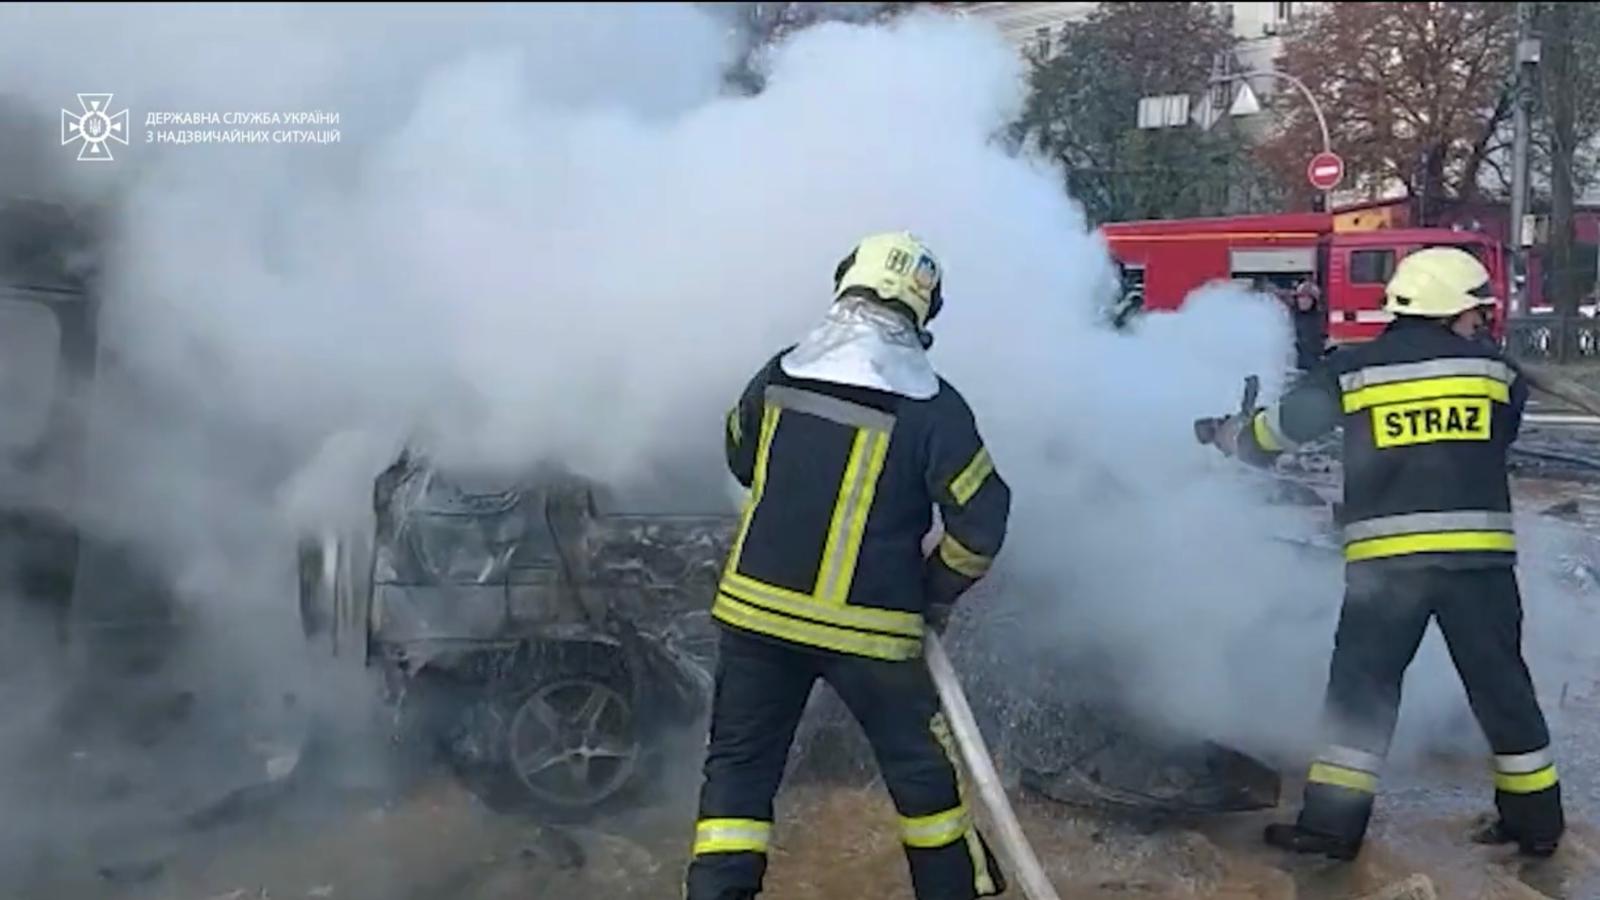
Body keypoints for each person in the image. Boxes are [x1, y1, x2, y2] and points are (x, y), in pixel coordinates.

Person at [1197, 246, 1564, 861]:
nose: (1481, 322)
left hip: (1388, 569)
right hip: (1479, 565)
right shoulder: (1497, 374)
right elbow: (1497, 438)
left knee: (1361, 693)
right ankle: (1536, 825)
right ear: (1451, 310)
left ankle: (1331, 830)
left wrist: (1230, 435)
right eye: (1477, 312)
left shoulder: (1353, 370)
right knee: (1503, 690)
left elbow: (1275, 435)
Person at [684, 231, 1012, 900]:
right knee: (925, 786)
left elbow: (740, 456)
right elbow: (982, 522)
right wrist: (935, 590)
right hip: (873, 634)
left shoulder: (780, 373)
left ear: (846, 283)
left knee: (737, 783)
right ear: (922, 308)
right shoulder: (935, 407)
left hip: (756, 618)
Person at [1290, 279, 1326, 371]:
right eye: (1301, 297)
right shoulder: (1292, 316)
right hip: (1296, 364)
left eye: (1308, 298)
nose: (1303, 301)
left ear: (1314, 301)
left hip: (1314, 365)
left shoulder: (1320, 319)